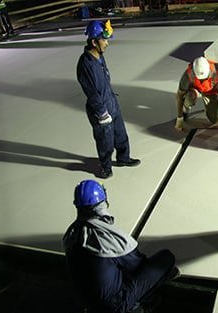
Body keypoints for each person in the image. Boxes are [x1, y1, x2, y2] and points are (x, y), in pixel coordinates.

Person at [63, 180, 180, 313]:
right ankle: (143, 304)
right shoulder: (107, 237)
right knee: (165, 258)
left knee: (114, 267)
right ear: (102, 203)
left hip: (87, 303)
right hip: (114, 306)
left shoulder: (71, 235)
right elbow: (138, 264)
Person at [77, 20, 140, 179]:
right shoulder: (85, 64)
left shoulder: (99, 56)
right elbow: (91, 92)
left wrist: (112, 101)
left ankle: (123, 158)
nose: (107, 43)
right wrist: (101, 112)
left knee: (120, 134)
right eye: (104, 40)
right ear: (93, 41)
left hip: (111, 101)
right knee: (105, 140)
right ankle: (105, 166)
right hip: (100, 109)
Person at [175, 56, 218, 131]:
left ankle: (213, 112)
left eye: (205, 78)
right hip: (195, 90)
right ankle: (184, 110)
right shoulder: (188, 74)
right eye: (200, 79)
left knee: (214, 119)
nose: (203, 80)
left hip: (210, 92)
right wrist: (179, 118)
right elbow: (180, 95)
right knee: (189, 97)